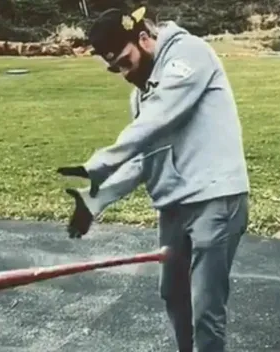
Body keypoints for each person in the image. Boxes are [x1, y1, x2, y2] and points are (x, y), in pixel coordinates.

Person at [57, 6, 250, 352]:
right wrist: (95, 198)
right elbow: (144, 159)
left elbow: (157, 119)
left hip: (215, 199)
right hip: (174, 207)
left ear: (143, 38)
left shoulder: (188, 54)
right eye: (113, 68)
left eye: (124, 61)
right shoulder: (141, 95)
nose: (122, 73)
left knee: (205, 308)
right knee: (174, 296)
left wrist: (99, 163)